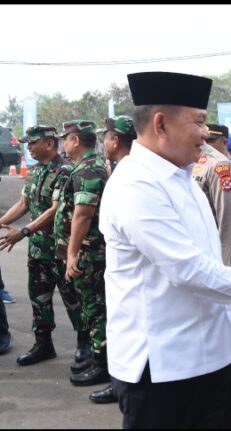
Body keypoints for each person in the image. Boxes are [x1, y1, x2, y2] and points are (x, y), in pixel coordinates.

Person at [99, 71, 231, 429]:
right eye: (199, 122)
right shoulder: (136, 184)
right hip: (162, 371)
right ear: (161, 124)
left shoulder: (181, 176)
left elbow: (209, 262)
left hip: (209, 361)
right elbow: (187, 269)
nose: (206, 133)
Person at [0, 126, 87, 368]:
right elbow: (24, 203)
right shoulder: (36, 172)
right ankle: (43, 343)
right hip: (38, 249)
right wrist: (1, 222)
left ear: (49, 144)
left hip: (60, 248)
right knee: (39, 297)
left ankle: (85, 344)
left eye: (33, 142)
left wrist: (24, 231)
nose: (28, 147)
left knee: (73, 298)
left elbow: (55, 209)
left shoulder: (65, 171)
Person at [53, 120, 110, 386]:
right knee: (90, 308)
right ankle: (96, 357)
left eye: (66, 138)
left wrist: (73, 253)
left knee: (97, 309)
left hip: (91, 254)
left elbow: (84, 214)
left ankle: (103, 363)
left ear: (76, 141)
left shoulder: (90, 169)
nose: (63, 143)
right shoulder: (84, 167)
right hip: (85, 253)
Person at [88, 115, 137, 405]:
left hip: (125, 270)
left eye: (105, 137)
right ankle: (118, 381)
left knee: (120, 325)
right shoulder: (120, 170)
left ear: (115, 140)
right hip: (117, 265)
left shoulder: (128, 174)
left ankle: (119, 383)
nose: (103, 142)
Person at [192, 124, 231, 266]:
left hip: (212, 255)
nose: (206, 143)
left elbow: (228, 220)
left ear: (224, 142)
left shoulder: (220, 165)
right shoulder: (191, 158)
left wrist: (224, 266)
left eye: (211, 140)